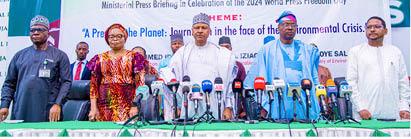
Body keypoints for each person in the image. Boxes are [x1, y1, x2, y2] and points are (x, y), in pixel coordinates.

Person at [243, 11, 320, 121]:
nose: (290, 28)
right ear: (278, 28)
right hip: (277, 102)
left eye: (293, 25)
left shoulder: (306, 50)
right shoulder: (267, 50)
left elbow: (314, 76)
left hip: (302, 102)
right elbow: (255, 79)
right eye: (286, 25)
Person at [0, 15, 71, 122]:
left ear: (48, 32)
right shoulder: (19, 56)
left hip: (48, 111)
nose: (35, 32)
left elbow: (66, 82)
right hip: (21, 110)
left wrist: (58, 104)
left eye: (40, 29)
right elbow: (9, 83)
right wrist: (4, 105)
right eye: (32, 30)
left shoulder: (60, 56)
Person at [167, 13, 237, 120]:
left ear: (209, 31)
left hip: (215, 105)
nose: (200, 30)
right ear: (192, 31)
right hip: (188, 106)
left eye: (204, 28)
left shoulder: (222, 54)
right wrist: (176, 105)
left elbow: (229, 84)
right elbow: (172, 81)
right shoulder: (182, 53)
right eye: (197, 27)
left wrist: (228, 107)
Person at [346, 16, 410, 120]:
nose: (372, 29)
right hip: (366, 114)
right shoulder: (356, 52)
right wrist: (360, 107)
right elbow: (351, 83)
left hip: (393, 113)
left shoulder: (395, 52)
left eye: (377, 26)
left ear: (385, 31)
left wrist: (404, 107)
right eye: (369, 27)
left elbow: (403, 82)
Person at [87, 23, 148, 122]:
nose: (115, 39)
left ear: (125, 38)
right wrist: (93, 108)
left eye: (119, 36)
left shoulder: (134, 57)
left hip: (128, 105)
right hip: (104, 105)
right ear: (107, 39)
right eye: (111, 36)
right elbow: (93, 86)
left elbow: (140, 84)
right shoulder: (99, 58)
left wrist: (135, 105)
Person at [218, 36, 247, 119]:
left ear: (231, 49)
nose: (225, 50)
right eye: (222, 48)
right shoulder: (213, 65)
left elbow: (244, 90)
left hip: (235, 105)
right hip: (217, 103)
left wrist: (245, 110)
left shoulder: (238, 66)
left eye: (227, 47)